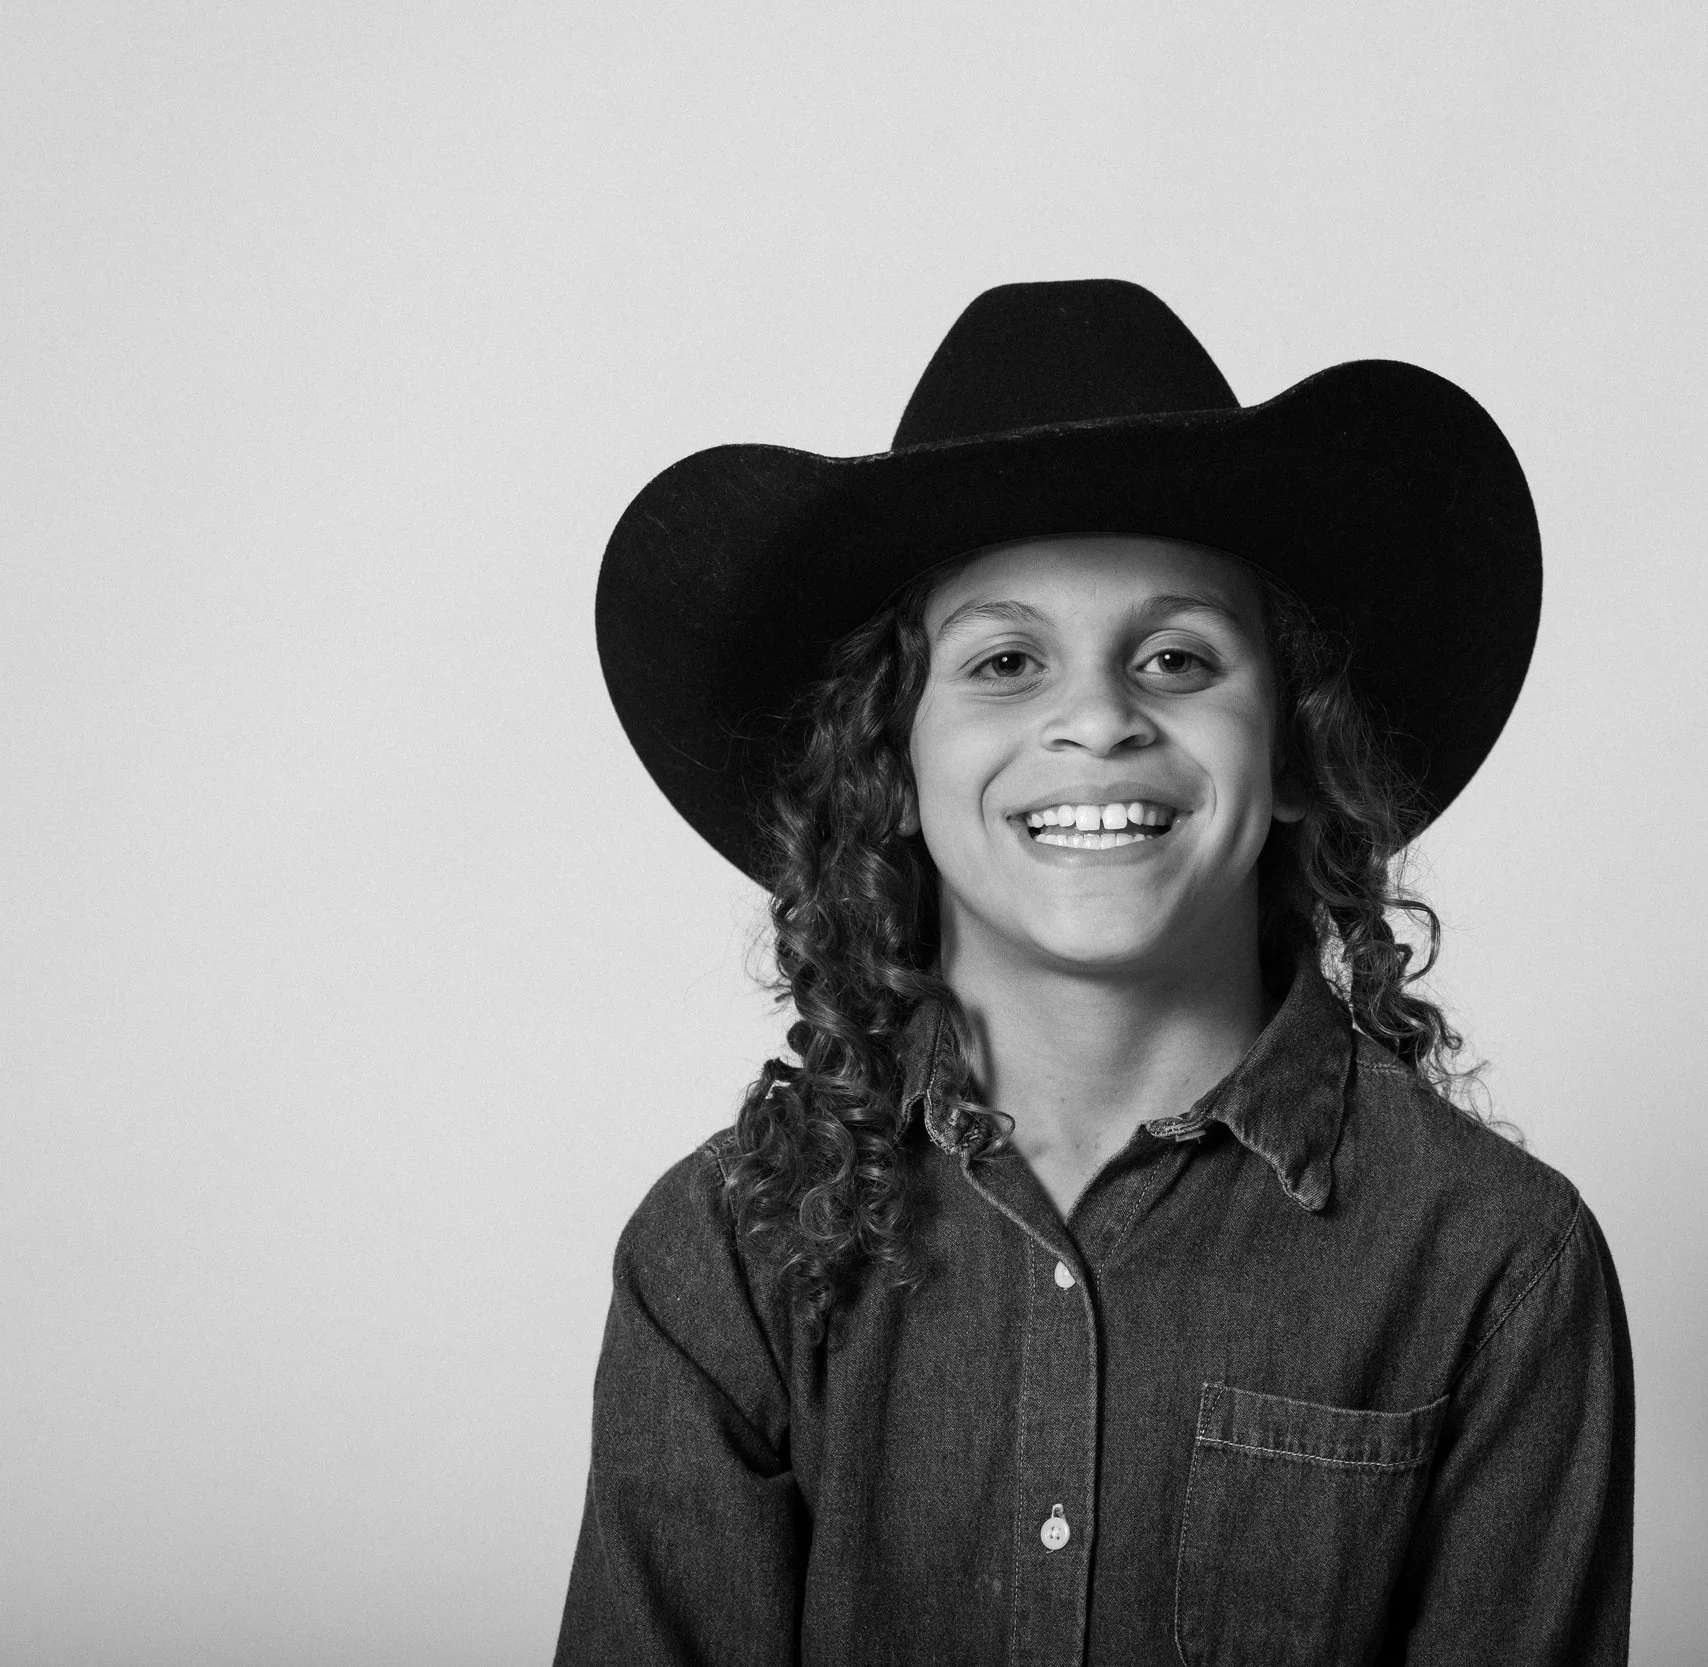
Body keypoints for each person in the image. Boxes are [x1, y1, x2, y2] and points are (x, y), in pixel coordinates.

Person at [559, 279, 1634, 1665]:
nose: (1097, 718)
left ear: (1298, 751)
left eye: (1178, 657)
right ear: (887, 763)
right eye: (1007, 661)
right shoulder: (722, 1258)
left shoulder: (1496, 1267)